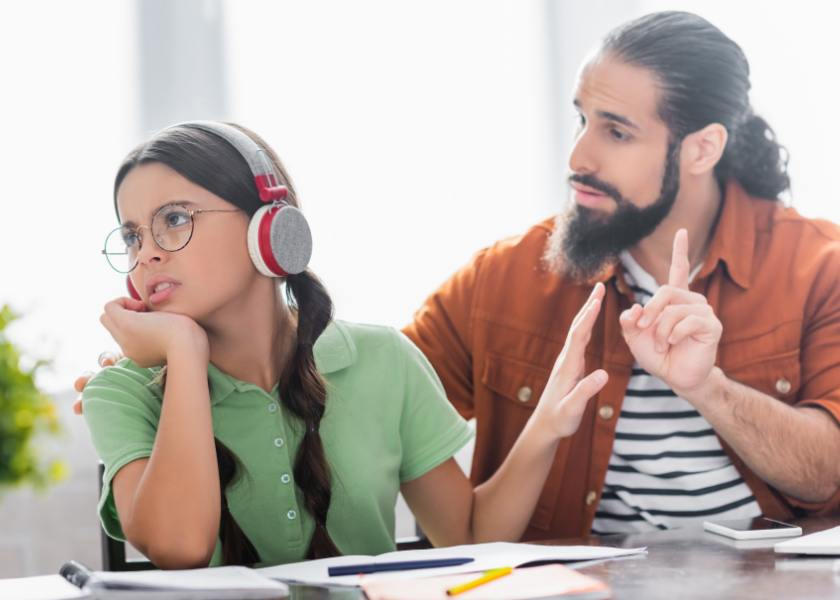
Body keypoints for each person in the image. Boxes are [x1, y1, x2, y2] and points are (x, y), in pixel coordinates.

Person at [80, 120, 609, 569]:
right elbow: (179, 547)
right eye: (131, 236)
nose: (146, 253)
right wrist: (184, 352)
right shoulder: (119, 392)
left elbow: (467, 539)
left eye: (174, 219)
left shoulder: (384, 361)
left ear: (271, 228)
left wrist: (546, 426)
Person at [402, 11, 840, 539]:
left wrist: (708, 388)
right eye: (581, 120)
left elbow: (827, 474)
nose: (578, 156)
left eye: (616, 131)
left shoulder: (821, 266)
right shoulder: (502, 278)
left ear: (702, 149)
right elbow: (383, 401)